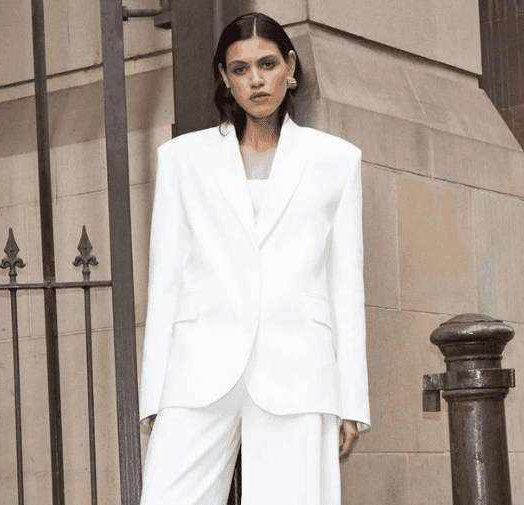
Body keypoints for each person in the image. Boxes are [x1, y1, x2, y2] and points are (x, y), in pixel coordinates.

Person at [139, 12, 370, 505]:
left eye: (267, 64)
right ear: (225, 78)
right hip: (199, 366)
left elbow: (345, 286)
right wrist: (154, 392)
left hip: (298, 368)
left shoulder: (337, 161)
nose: (256, 80)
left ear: (290, 66)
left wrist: (352, 399)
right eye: (240, 69)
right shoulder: (181, 160)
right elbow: (166, 279)